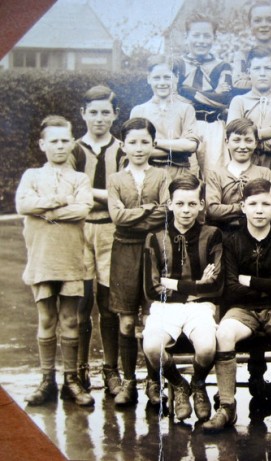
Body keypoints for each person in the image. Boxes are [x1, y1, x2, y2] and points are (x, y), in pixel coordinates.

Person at [203, 178, 271, 433]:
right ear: (243, 207)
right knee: (225, 333)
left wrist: (251, 281)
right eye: (253, 203)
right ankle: (227, 407)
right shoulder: (231, 241)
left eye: (266, 203)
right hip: (242, 309)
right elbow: (230, 288)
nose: (260, 209)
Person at [16, 115, 94, 406]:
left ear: (72, 143)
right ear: (42, 144)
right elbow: (23, 205)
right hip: (42, 259)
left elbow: (83, 210)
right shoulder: (32, 176)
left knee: (71, 320)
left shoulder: (79, 178)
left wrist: (45, 211)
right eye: (54, 141)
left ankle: (71, 380)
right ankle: (46, 380)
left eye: (65, 141)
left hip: (71, 259)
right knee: (46, 319)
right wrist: (56, 202)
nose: (60, 146)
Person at [142, 174, 223, 422]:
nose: (186, 210)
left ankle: (198, 384)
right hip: (165, 308)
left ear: (201, 204)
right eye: (180, 204)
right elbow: (151, 289)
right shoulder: (154, 238)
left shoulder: (213, 234)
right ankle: (178, 384)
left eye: (191, 204)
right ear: (170, 204)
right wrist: (196, 286)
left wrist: (174, 284)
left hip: (200, 308)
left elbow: (217, 287)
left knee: (208, 346)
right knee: (151, 346)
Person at [107, 118, 170, 406]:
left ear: (153, 144)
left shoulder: (162, 176)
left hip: (153, 251)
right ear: (123, 145)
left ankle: (153, 384)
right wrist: (148, 209)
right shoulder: (116, 180)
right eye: (132, 142)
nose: (139, 147)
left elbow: (166, 213)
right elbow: (117, 217)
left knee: (151, 320)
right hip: (124, 251)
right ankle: (128, 382)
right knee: (126, 319)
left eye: (145, 141)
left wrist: (139, 213)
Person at [69, 86, 125, 396]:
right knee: (80, 303)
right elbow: (70, 193)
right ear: (83, 114)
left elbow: (123, 195)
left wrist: (92, 195)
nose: (100, 118)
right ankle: (79, 370)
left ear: (115, 114)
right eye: (93, 112)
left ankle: (111, 370)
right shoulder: (74, 149)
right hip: (79, 231)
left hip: (111, 232)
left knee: (109, 305)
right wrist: (107, 196)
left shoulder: (123, 150)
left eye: (106, 112)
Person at [174, 13, 233, 174]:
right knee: (186, 176)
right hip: (184, 126)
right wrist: (212, 94)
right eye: (196, 35)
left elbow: (223, 100)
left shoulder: (223, 66)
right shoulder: (177, 64)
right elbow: (173, 98)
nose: (201, 40)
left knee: (214, 175)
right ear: (186, 37)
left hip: (212, 126)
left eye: (206, 36)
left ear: (214, 37)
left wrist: (186, 91)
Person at [130, 55, 200, 180]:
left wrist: (154, 143)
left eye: (167, 77)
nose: (162, 83)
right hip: (148, 173)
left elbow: (191, 145)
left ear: (176, 78)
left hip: (179, 173)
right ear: (149, 79)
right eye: (157, 78)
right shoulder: (139, 111)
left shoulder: (186, 109)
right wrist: (179, 149)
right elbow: (135, 150)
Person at [206, 118, 271, 232]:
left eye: (248, 140)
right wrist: (245, 207)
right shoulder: (216, 174)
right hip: (224, 235)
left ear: (256, 143)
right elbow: (213, 211)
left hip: (258, 233)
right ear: (227, 142)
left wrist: (229, 210)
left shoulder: (265, 173)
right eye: (237, 140)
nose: (242, 146)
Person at [227, 46, 271, 168]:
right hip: (244, 167)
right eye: (257, 68)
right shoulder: (239, 101)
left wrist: (255, 143)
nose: (262, 74)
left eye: (267, 68)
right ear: (248, 72)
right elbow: (233, 136)